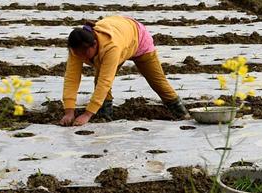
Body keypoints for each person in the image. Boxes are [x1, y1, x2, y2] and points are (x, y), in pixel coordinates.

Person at [60, 16, 189, 126]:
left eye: (84, 53)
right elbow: (72, 78)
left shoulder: (111, 47)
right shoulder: (76, 50)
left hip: (138, 38)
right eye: (78, 54)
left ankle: (182, 113)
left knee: (158, 82)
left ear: (94, 44)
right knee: (98, 80)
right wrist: (69, 111)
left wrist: (87, 114)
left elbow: (105, 81)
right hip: (121, 34)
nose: (81, 57)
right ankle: (105, 116)